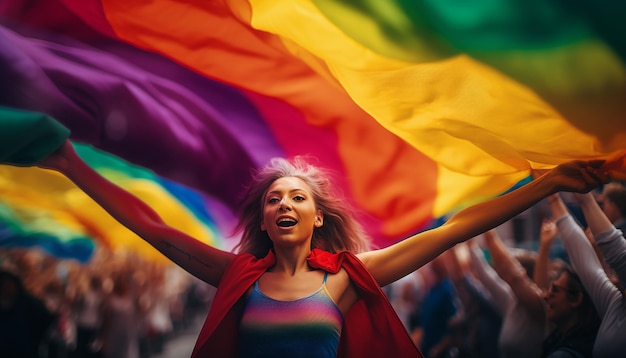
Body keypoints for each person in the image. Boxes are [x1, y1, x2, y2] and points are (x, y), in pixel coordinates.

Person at [16, 138, 611, 357]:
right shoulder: (237, 275)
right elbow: (153, 228)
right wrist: (71, 165)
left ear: (318, 215)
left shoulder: (349, 277)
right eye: (274, 199)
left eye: (296, 197)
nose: (282, 204)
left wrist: (549, 184)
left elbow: (454, 229)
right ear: (264, 217)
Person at [546, 192, 626, 357]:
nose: (612, 276)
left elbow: (616, 250)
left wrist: (586, 200)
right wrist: (553, 196)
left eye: (554, 289)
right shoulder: (616, 305)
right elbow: (584, 261)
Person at [467, 230, 547, 358]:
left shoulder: (538, 307)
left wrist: (489, 235)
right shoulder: (511, 299)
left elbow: (509, 272)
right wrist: (471, 244)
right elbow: (486, 275)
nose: (501, 273)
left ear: (525, 274)